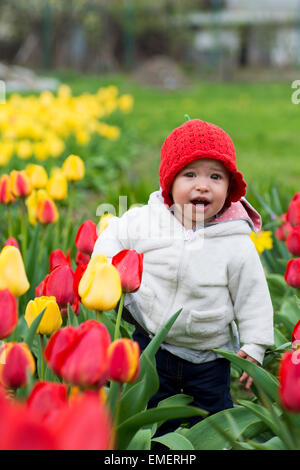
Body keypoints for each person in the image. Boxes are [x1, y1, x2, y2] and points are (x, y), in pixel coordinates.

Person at [92, 118, 274, 434]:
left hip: (208, 355)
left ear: (229, 188)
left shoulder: (235, 242)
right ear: (169, 182)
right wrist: (102, 267)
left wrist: (256, 343)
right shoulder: (147, 220)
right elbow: (115, 233)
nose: (202, 185)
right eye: (190, 174)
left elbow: (253, 295)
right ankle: (156, 445)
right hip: (151, 343)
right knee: (152, 414)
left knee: (213, 417)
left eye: (215, 177)